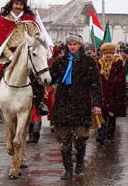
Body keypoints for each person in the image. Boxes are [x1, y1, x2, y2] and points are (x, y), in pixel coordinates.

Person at [0, 0, 48, 121]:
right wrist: (11, 56)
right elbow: (0, 42)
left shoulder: (29, 20)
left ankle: (40, 103)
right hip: (6, 56)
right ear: (12, 3)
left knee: (38, 78)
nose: (18, 6)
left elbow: (36, 35)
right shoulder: (3, 19)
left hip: (25, 54)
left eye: (21, 4)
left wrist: (37, 39)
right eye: (16, 3)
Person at [50, 33, 102, 180]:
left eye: (75, 44)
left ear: (80, 45)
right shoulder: (60, 61)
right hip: (63, 104)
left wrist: (97, 103)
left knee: (81, 137)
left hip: (81, 104)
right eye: (70, 44)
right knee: (64, 139)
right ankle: (67, 169)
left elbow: (95, 84)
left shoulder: (89, 62)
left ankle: (79, 161)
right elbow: (50, 78)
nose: (72, 46)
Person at [97, 43, 126, 145]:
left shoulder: (118, 64)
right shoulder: (98, 64)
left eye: (110, 53)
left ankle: (110, 135)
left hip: (114, 95)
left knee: (112, 117)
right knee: (100, 116)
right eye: (106, 53)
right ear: (103, 54)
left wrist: (113, 83)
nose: (108, 55)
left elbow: (121, 80)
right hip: (102, 95)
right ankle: (101, 135)